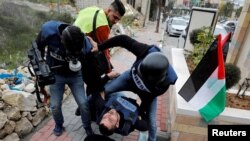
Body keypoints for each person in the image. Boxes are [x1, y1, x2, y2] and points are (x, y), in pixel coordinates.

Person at [90, 35, 178, 141]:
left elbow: (146, 103)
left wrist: (139, 112)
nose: (108, 115)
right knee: (106, 90)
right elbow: (122, 39)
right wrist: (100, 47)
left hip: (147, 93)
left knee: (152, 123)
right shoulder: (145, 51)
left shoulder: (162, 86)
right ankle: (84, 107)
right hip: (129, 79)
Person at [35, 20, 102, 136]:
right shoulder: (48, 31)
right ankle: (59, 125)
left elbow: (93, 59)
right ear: (61, 39)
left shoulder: (83, 40)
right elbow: (37, 48)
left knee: (83, 103)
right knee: (55, 105)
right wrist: (41, 69)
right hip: (55, 74)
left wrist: (96, 46)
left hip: (75, 75)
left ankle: (87, 126)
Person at [73, 0, 126, 115]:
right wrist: (109, 70)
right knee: (97, 84)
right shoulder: (103, 25)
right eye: (115, 17)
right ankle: (88, 109)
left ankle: (87, 108)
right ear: (109, 10)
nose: (116, 22)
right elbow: (104, 48)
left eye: (118, 20)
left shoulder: (93, 10)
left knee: (91, 84)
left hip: (75, 48)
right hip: (85, 56)